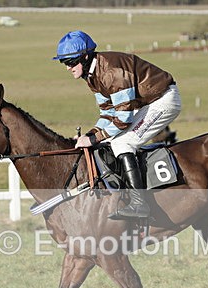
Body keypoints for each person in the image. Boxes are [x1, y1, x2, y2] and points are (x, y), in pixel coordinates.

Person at [53, 30, 181, 219]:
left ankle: (139, 204)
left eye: (71, 62)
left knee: (122, 143)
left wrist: (94, 139)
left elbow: (123, 118)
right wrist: (90, 135)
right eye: (64, 63)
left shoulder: (111, 72)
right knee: (109, 141)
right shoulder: (92, 75)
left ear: (85, 57)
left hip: (163, 100)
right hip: (146, 104)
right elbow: (108, 113)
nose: (67, 68)